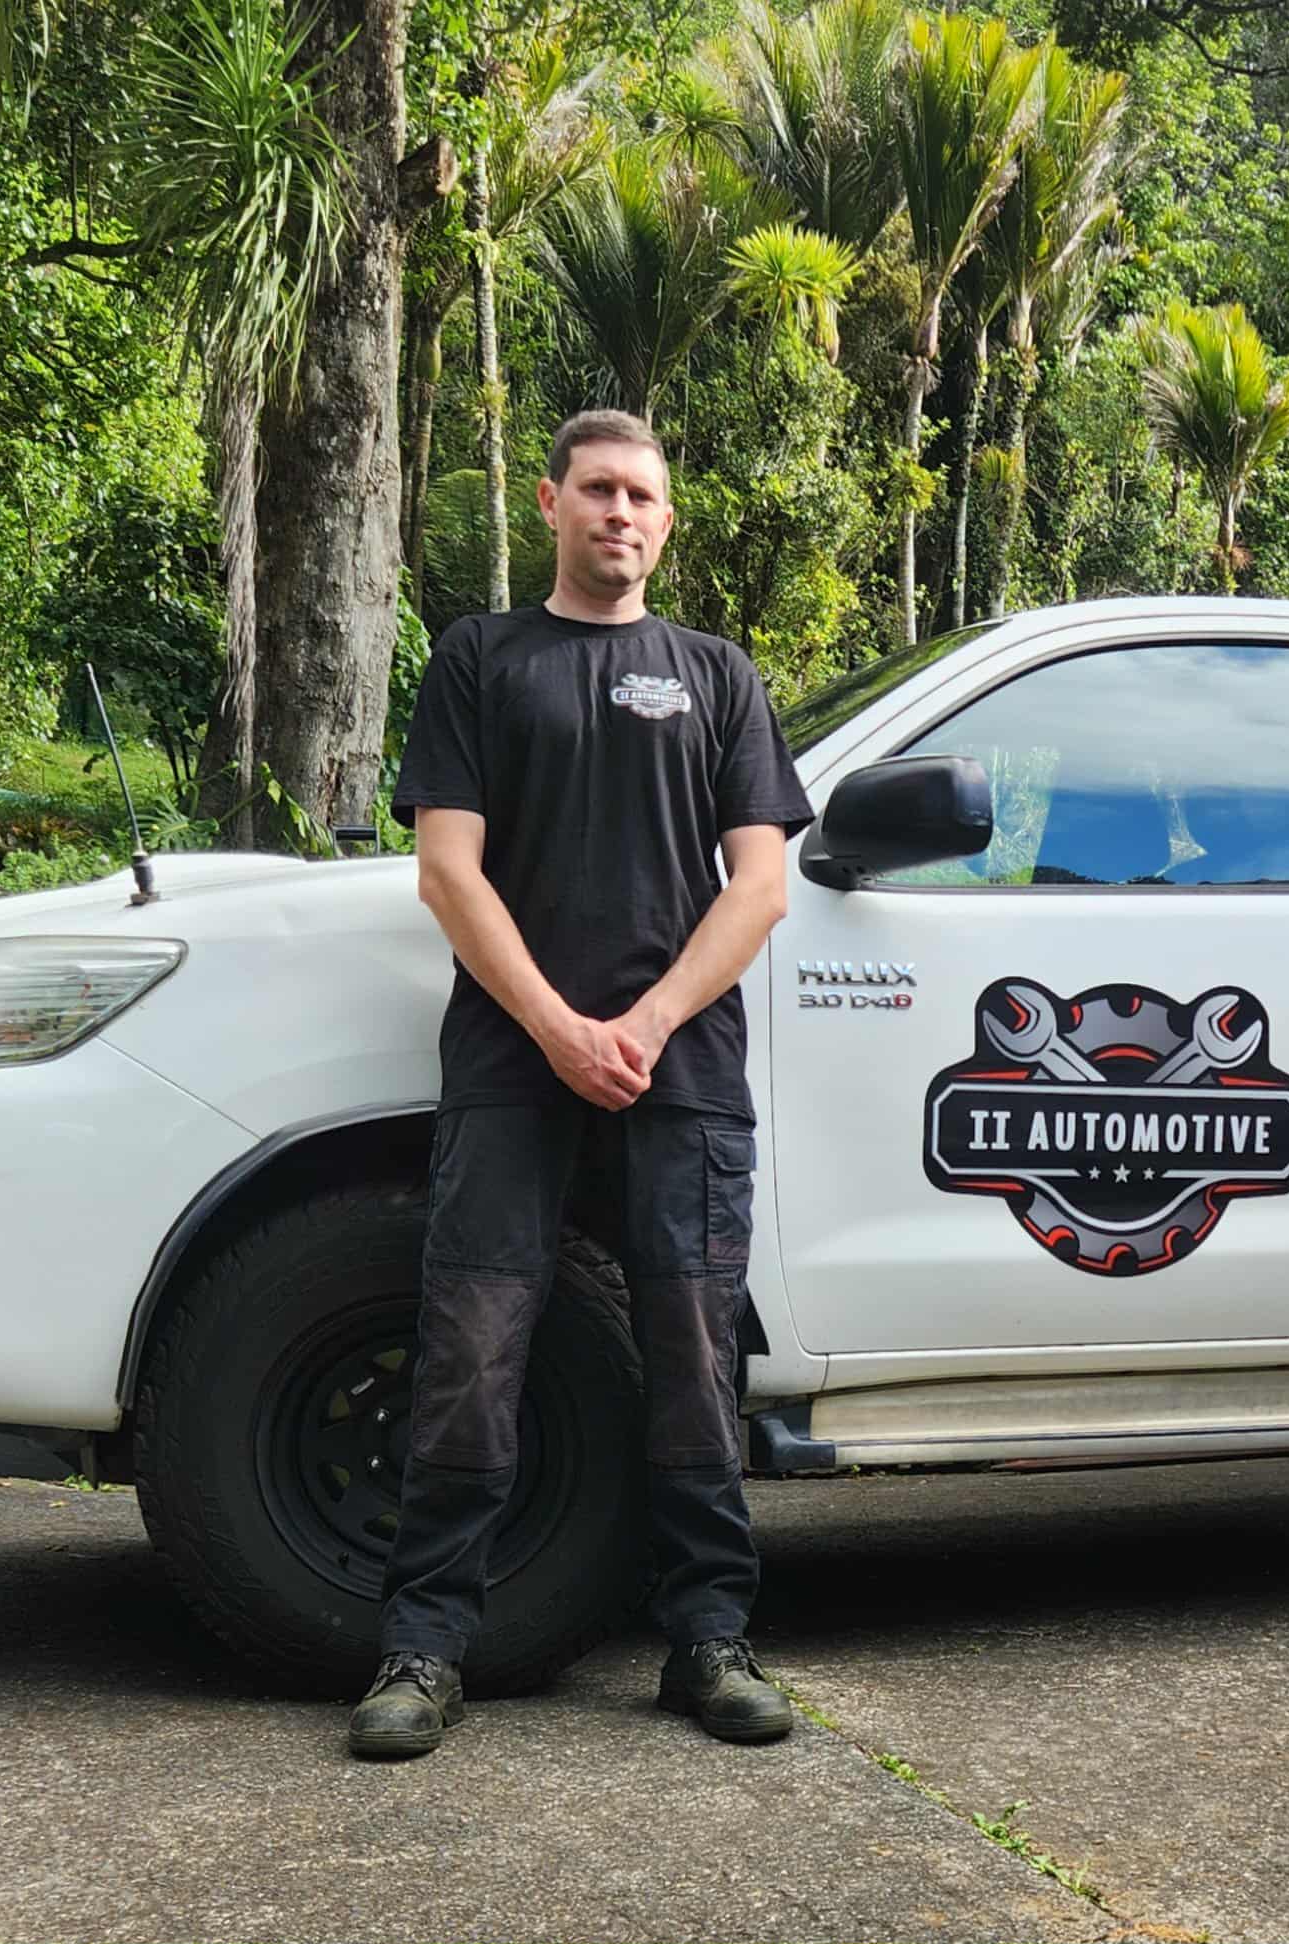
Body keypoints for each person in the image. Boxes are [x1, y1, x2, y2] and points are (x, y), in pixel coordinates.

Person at [349, 409, 814, 1760]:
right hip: (511, 1057)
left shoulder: (717, 675)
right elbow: (448, 869)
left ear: (668, 523)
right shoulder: (483, 657)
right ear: (551, 502)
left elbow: (763, 886)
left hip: (682, 1068)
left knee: (691, 1350)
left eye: (644, 496)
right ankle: (424, 1649)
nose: (621, 512)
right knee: (472, 1352)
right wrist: (558, 1026)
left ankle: (708, 1642)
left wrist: (648, 1021)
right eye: (598, 490)